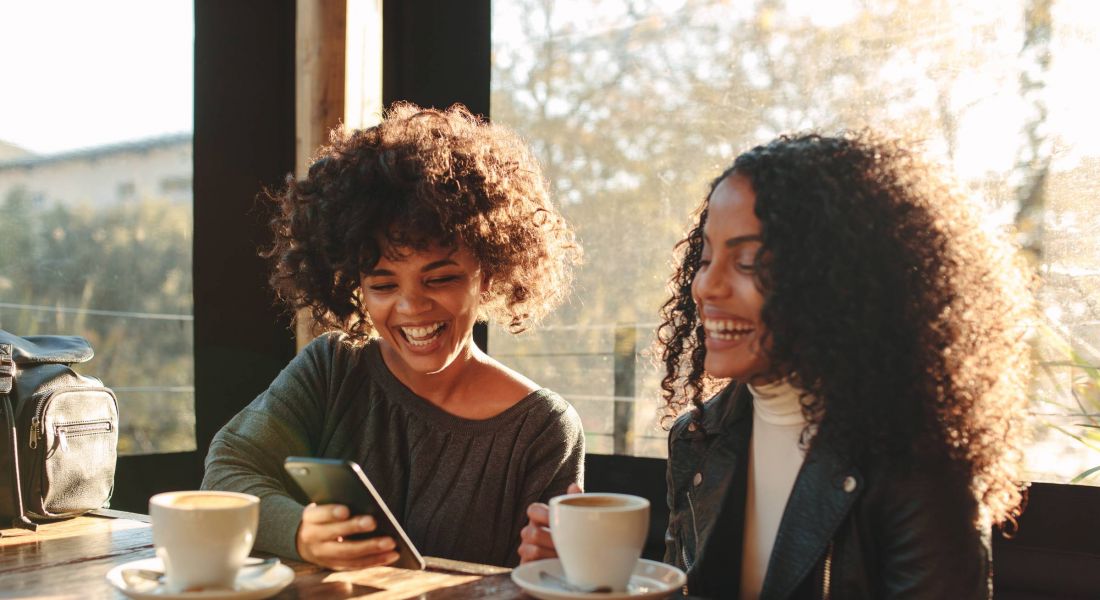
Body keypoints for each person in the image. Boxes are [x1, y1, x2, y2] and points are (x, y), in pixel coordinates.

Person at [520, 131, 1031, 599]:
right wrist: (587, 580)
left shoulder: (917, 464)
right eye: (704, 259)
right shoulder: (698, 440)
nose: (706, 286)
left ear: (840, 281)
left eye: (748, 263)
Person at [202, 102, 585, 570]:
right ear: (355, 285)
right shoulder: (333, 369)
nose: (411, 307)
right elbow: (227, 472)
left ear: (487, 273)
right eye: (383, 285)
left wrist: (558, 567)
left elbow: (548, 575)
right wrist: (299, 531)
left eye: (440, 278)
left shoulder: (542, 428)